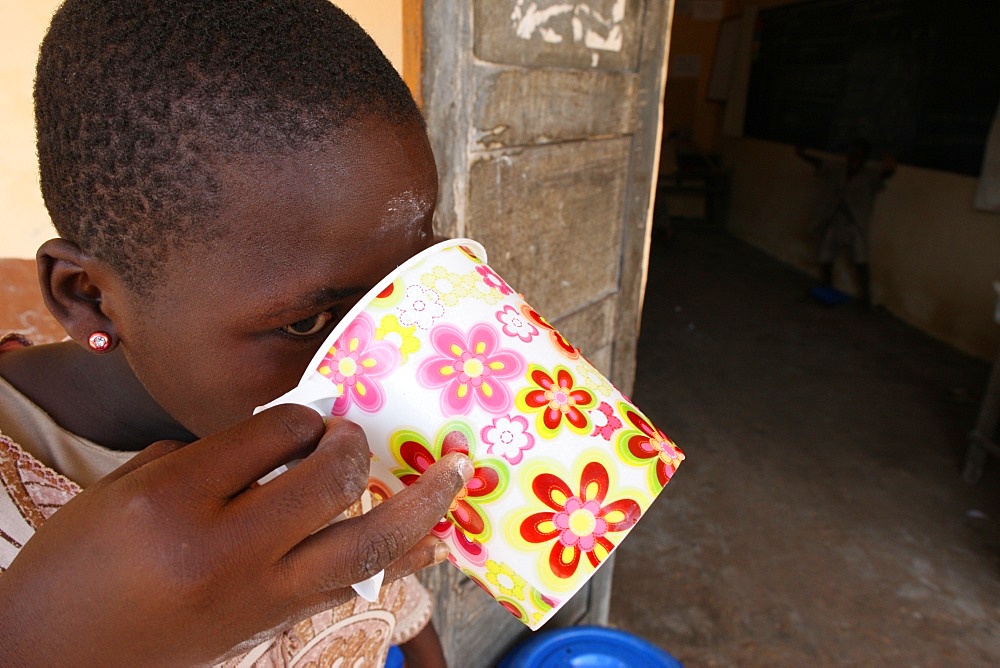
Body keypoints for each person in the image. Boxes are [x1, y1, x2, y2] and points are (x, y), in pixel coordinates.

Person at [0, 1, 474, 665]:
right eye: (306, 322)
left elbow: (395, 612)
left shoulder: (340, 419)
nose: (394, 354)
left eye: (413, 286)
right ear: (90, 300)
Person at [796, 139, 896, 307]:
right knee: (825, 256)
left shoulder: (869, 175)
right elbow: (820, 164)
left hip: (855, 223)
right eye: (853, 154)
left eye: (859, 155)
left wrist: (890, 162)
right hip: (836, 219)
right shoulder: (838, 170)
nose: (855, 157)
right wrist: (802, 155)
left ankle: (866, 299)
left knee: (860, 260)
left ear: (865, 158)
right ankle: (827, 289)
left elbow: (887, 173)